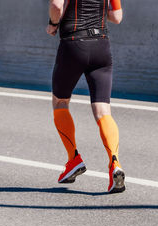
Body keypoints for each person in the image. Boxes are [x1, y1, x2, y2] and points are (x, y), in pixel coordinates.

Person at [46, 0, 125, 193]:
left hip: (74, 44)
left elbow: (56, 6)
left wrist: (53, 24)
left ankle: (73, 159)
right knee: (103, 109)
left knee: (61, 103)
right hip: (101, 46)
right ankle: (115, 162)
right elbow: (117, 17)